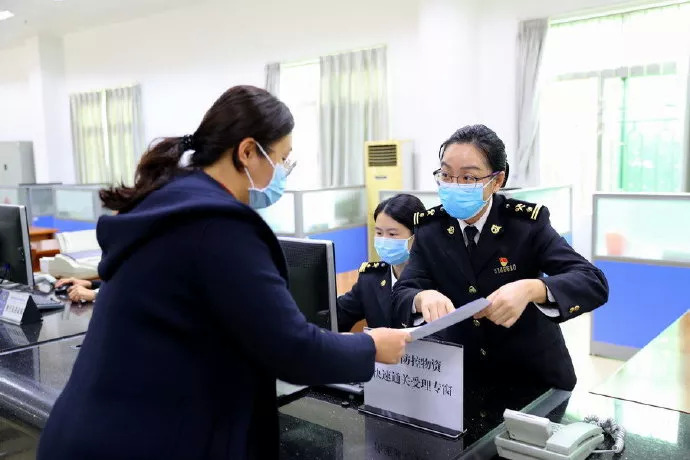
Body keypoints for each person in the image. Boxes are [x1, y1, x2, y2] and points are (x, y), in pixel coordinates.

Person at [38, 85, 410, 460]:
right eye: (282, 159)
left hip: (94, 430)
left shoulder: (168, 201)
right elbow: (291, 349)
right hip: (142, 441)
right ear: (247, 151)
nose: (283, 173)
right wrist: (371, 346)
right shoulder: (219, 226)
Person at [392, 124, 608, 392]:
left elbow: (592, 281)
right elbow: (402, 291)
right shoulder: (430, 228)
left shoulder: (525, 224)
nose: (454, 185)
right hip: (462, 380)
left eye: (468, 178)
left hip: (530, 378)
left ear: (497, 181)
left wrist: (533, 289)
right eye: (446, 175)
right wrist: (422, 297)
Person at [336, 194, 426, 332]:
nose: (384, 240)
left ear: (416, 236)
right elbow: (337, 316)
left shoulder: (439, 279)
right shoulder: (371, 279)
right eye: (379, 233)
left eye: (392, 234)